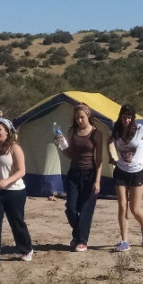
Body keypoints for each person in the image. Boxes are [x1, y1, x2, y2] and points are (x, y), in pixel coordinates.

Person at [0, 117, 33, 270]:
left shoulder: (15, 148)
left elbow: (22, 171)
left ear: (7, 132)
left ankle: (26, 248)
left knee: (16, 223)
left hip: (14, 192)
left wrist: (7, 181)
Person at [108, 104, 143, 252]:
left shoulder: (141, 130)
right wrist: (112, 156)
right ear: (120, 117)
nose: (127, 120)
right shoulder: (116, 131)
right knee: (122, 206)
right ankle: (124, 241)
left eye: (130, 117)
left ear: (133, 118)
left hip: (138, 172)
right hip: (121, 171)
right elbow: (110, 143)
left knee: (134, 208)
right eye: (124, 117)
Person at [57, 103, 104, 252]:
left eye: (82, 117)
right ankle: (78, 234)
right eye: (77, 118)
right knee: (71, 208)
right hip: (74, 173)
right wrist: (60, 145)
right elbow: (70, 154)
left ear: (88, 116)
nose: (79, 120)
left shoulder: (96, 134)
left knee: (85, 209)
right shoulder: (72, 132)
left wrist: (97, 181)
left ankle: (81, 240)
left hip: (90, 174)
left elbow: (99, 160)